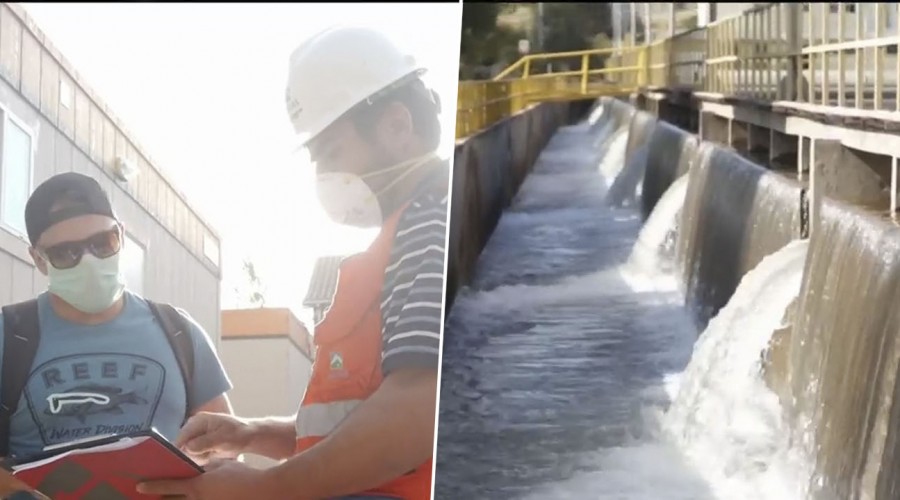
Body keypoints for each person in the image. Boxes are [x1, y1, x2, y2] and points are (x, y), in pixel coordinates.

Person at [138, 25, 447, 500]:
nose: (325, 176)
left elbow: (417, 409)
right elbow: (351, 423)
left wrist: (267, 488)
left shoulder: (433, 226)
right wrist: (252, 433)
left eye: (332, 153)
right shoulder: (406, 232)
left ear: (398, 126)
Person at [0, 172, 234, 499]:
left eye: (102, 243)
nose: (90, 262)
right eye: (66, 253)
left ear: (120, 235)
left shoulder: (180, 332)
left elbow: (227, 448)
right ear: (38, 259)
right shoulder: (8, 336)